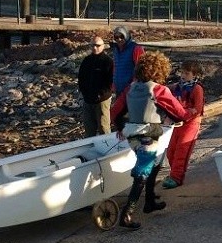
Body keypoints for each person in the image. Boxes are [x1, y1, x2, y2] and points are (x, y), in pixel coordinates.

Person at [110, 51, 196, 230]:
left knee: (156, 162)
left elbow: (114, 111)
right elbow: (178, 112)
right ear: (160, 70)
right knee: (143, 172)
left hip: (132, 135)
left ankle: (149, 200)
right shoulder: (158, 89)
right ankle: (127, 213)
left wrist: (120, 129)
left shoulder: (130, 88)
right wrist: (190, 115)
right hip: (149, 136)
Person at [163, 60, 206, 189]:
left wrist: (182, 114)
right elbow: (166, 92)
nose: (183, 75)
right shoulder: (178, 86)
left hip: (191, 122)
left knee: (182, 150)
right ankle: (174, 173)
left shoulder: (197, 88)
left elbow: (197, 109)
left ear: (194, 75)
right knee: (171, 151)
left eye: (187, 73)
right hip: (178, 122)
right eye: (182, 72)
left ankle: (177, 177)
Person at [77, 35, 114, 137]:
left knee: (104, 127)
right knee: (89, 128)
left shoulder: (108, 61)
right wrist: (84, 93)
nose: (95, 48)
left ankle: (107, 148)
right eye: (93, 45)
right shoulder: (86, 61)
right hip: (87, 99)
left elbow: (110, 81)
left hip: (102, 100)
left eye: (97, 45)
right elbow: (81, 78)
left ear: (102, 46)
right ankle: (90, 149)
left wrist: (101, 95)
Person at [111, 26, 145, 97]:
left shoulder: (136, 48)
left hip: (131, 91)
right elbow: (115, 67)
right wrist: (113, 84)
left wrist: (133, 85)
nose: (119, 39)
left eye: (121, 36)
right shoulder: (116, 50)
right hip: (119, 90)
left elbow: (141, 69)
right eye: (116, 37)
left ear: (126, 36)